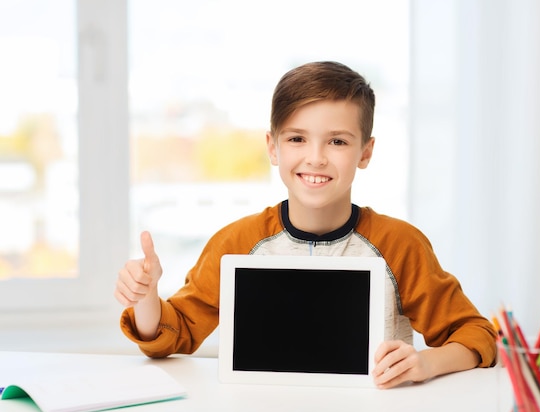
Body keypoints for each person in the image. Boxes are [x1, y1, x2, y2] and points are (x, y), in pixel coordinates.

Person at [114, 61, 497, 389]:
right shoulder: (238, 241)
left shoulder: (399, 244)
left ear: (365, 152)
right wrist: (147, 297)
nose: (315, 158)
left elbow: (476, 335)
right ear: (273, 147)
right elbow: (173, 334)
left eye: (337, 142)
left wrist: (426, 364)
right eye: (297, 138)